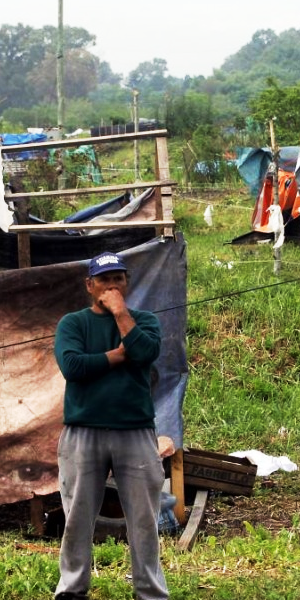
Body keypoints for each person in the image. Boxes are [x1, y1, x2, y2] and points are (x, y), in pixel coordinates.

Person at [53, 251, 171, 600]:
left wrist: (121, 313)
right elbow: (73, 367)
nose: (112, 285)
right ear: (90, 285)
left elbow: (146, 353)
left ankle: (149, 592)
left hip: (134, 431)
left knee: (144, 519)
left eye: (119, 278)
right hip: (82, 432)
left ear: (127, 284)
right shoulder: (72, 324)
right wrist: (119, 356)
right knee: (77, 516)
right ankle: (72, 589)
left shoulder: (144, 320)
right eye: (104, 279)